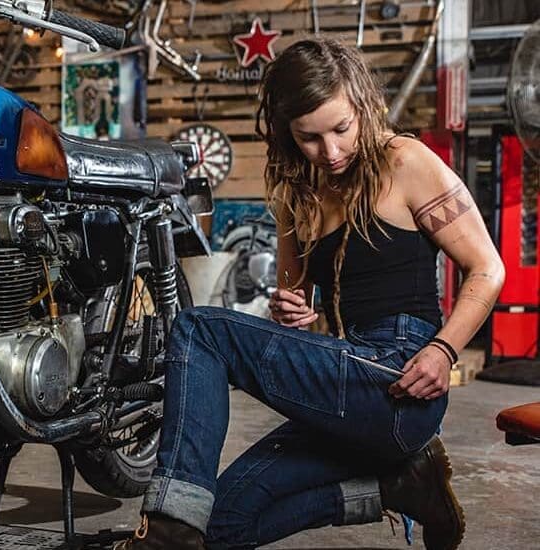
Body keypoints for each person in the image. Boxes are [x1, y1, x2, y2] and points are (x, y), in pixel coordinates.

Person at [114, 38, 504, 550]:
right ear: (286, 132)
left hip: (400, 377)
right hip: (343, 379)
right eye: (310, 137)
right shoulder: (296, 194)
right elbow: (293, 300)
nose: (332, 151)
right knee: (217, 525)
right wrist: (289, 309)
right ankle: (398, 485)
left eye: (342, 129)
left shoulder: (404, 160)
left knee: (199, 329)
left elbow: (488, 269)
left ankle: (165, 528)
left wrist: (444, 348)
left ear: (362, 105)